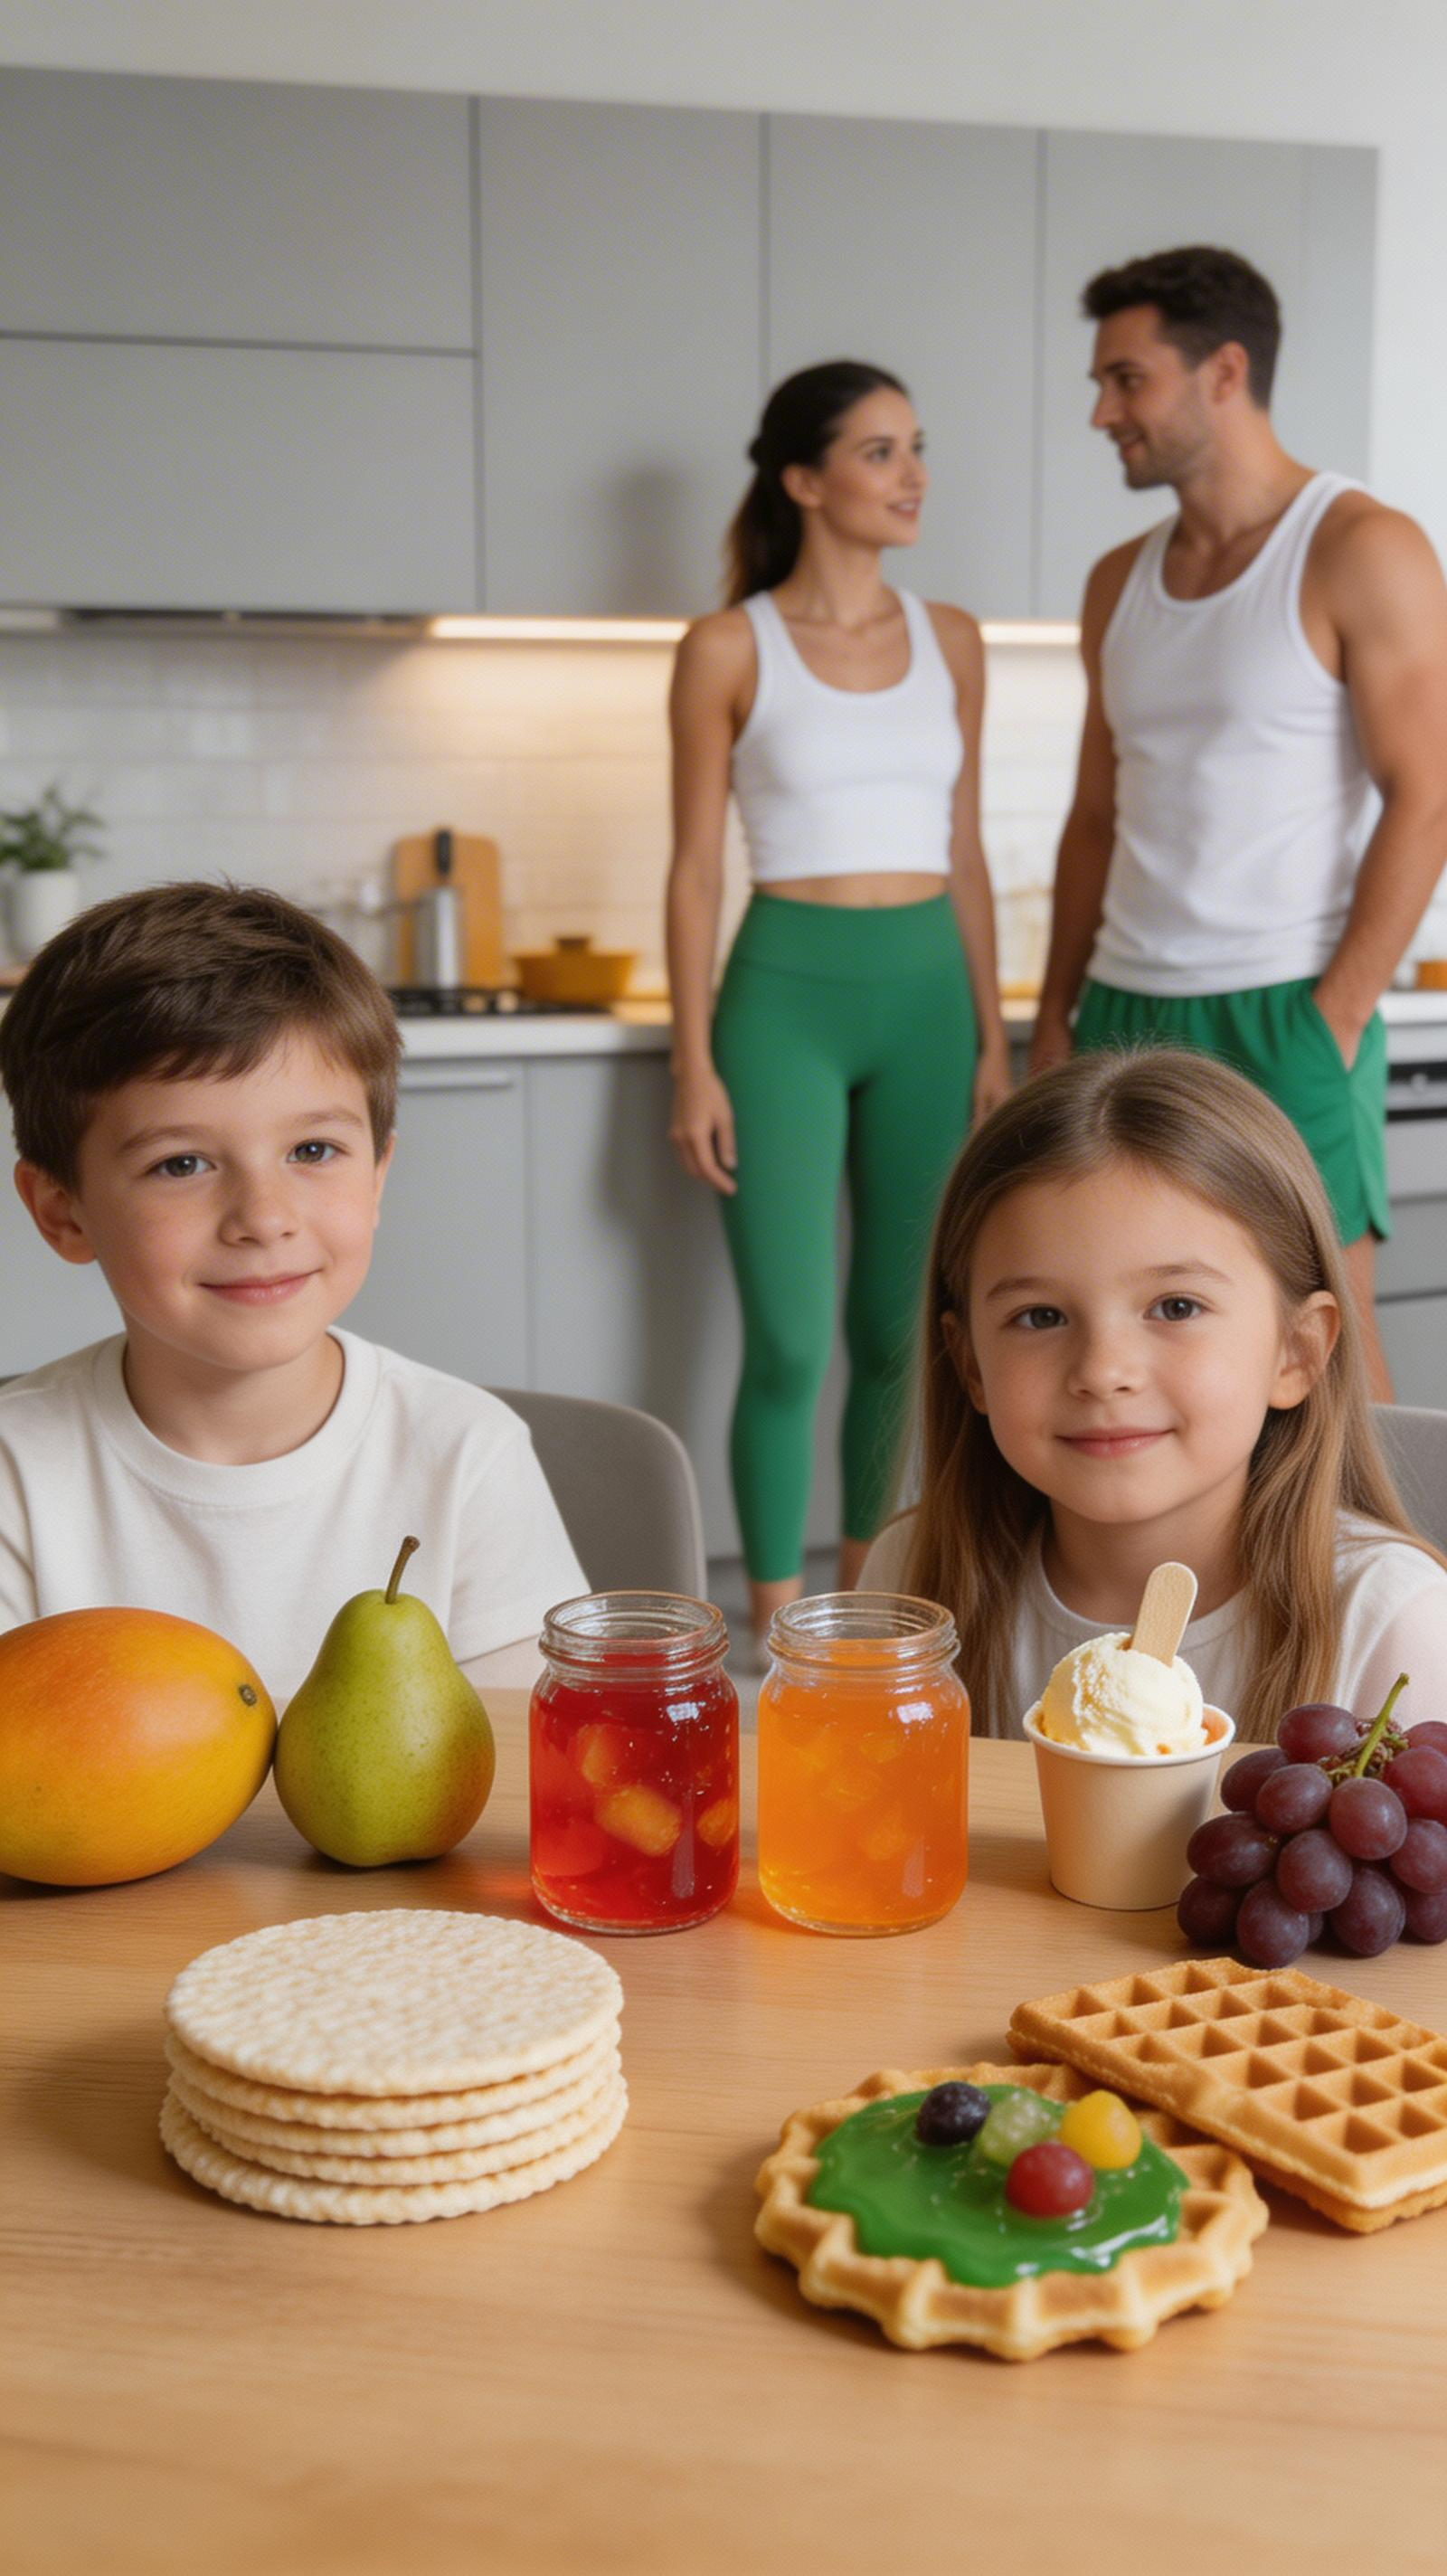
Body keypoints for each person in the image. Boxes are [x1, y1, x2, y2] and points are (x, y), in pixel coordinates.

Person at [1029, 244, 1447, 1401]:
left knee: (1326, 1342)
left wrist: (1337, 1015)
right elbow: (1093, 818)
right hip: (1123, 1007)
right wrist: (1057, 1015)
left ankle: (1371, 1587)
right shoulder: (1118, 581)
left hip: (1286, 1009)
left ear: (1221, 372)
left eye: (1125, 379)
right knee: (1123, 1346)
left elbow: (1430, 794)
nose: (1101, 411)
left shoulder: (1361, 547)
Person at [0, 882, 585, 1700]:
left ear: (378, 1175)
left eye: (312, 1151)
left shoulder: (467, 1456)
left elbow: (527, 1769)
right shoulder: (16, 1473)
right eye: (182, 1164)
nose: (263, 1219)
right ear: (63, 1213)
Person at [666, 357, 1009, 1654]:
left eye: (916, 446)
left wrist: (990, 1035)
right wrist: (692, 1060)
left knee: (899, 1334)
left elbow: (966, 851)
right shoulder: (725, 646)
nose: (912, 474)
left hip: (926, 996)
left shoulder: (955, 640)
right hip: (782, 1001)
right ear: (804, 480)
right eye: (879, 451)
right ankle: (767, 1635)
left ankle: (861, 1622)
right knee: (793, 1339)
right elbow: (696, 867)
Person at [864, 1049, 1447, 1743]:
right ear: (972, 1367)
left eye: (1175, 1307)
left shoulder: (1391, 1624)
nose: (1104, 1372)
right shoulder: (910, 1581)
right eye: (1041, 1317)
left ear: (1297, 1352)